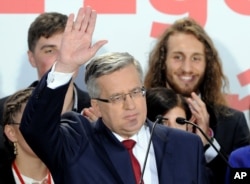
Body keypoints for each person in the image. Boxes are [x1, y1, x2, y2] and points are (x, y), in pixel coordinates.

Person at [20, 6, 209, 183]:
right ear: (96, 106)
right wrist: (65, 67)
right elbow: (35, 129)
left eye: (135, 92)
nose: (130, 105)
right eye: (117, 98)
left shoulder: (186, 145)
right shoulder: (76, 142)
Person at [144, 17, 250, 183]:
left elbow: (241, 178)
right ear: (162, 62)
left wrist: (208, 144)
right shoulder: (141, 114)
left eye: (196, 58)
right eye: (178, 57)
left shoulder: (232, 122)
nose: (187, 68)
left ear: (207, 64)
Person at [0, 11, 91, 172]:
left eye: (66, 48)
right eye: (50, 50)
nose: (62, 57)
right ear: (32, 58)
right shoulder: (3, 111)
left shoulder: (100, 110)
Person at [0, 87, 54, 184]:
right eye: (33, 123)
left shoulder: (73, 175)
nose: (43, 130)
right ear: (11, 132)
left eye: (48, 121)